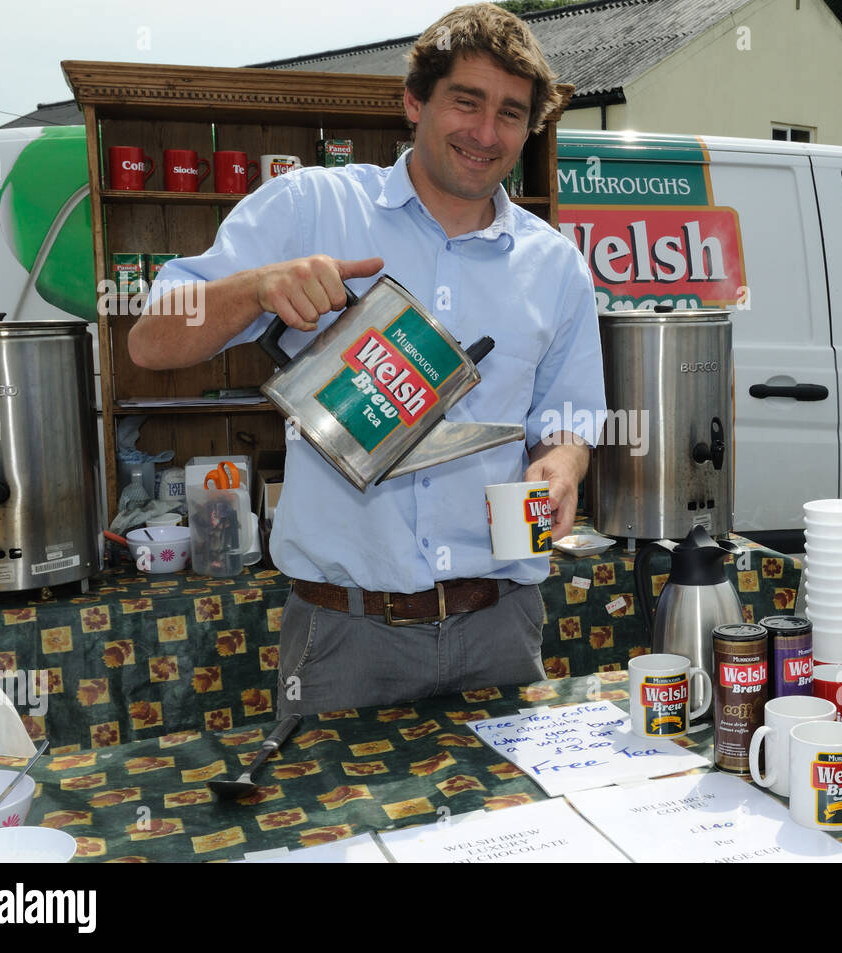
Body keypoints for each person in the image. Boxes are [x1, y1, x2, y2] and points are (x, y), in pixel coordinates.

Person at [131, 3, 605, 717]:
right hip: (344, 636)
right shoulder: (310, 207)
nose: (485, 133)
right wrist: (259, 287)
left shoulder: (557, 266)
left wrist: (560, 467)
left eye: (510, 113)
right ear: (414, 102)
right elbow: (151, 340)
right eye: (466, 102)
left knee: (513, 830)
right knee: (336, 832)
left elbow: (567, 421)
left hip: (502, 628)